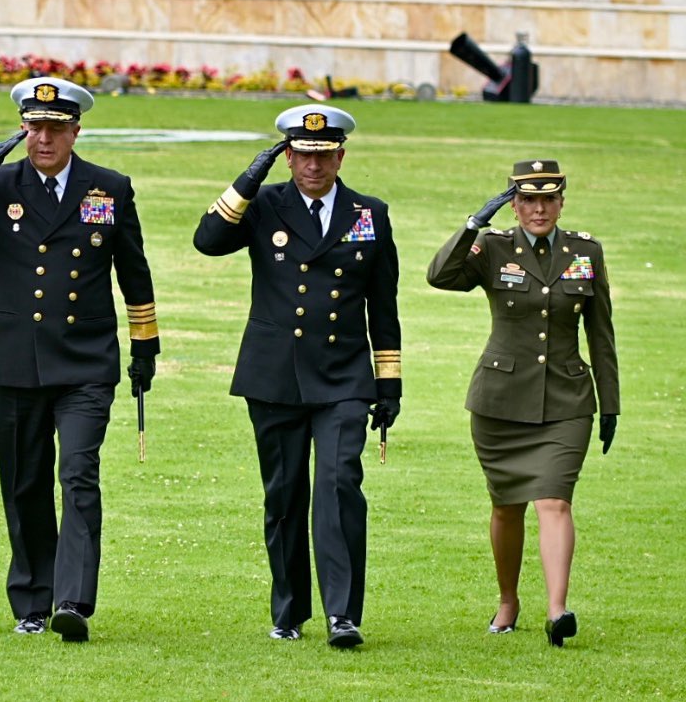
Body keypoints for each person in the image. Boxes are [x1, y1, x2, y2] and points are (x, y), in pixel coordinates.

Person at [0, 78, 159, 643]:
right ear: (23, 130)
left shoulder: (108, 188)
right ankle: (32, 598)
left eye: (56, 128)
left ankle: (72, 600)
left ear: (76, 130)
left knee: (78, 473)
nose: (45, 138)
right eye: (35, 127)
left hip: (85, 359)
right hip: (13, 360)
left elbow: (134, 271)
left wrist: (145, 346)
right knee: (25, 483)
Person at [192, 104, 401, 648]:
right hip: (275, 373)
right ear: (288, 157)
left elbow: (384, 306)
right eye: (303, 155)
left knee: (338, 485)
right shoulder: (262, 205)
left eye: (324, 155)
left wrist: (389, 381)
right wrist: (247, 178)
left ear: (341, 155)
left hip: (343, 375)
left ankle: (342, 614)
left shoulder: (369, 213)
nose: (314, 165)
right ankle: (288, 610)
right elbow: (208, 241)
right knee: (283, 495)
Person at [426, 160, 619, 647]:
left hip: (567, 399)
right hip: (500, 402)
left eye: (548, 199)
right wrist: (474, 223)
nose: (538, 209)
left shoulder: (585, 250)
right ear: (513, 204)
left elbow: (601, 333)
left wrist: (610, 404)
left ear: (561, 202)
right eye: (528, 200)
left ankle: (558, 611)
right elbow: (440, 276)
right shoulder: (492, 248)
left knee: (554, 500)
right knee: (507, 506)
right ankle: (508, 601)